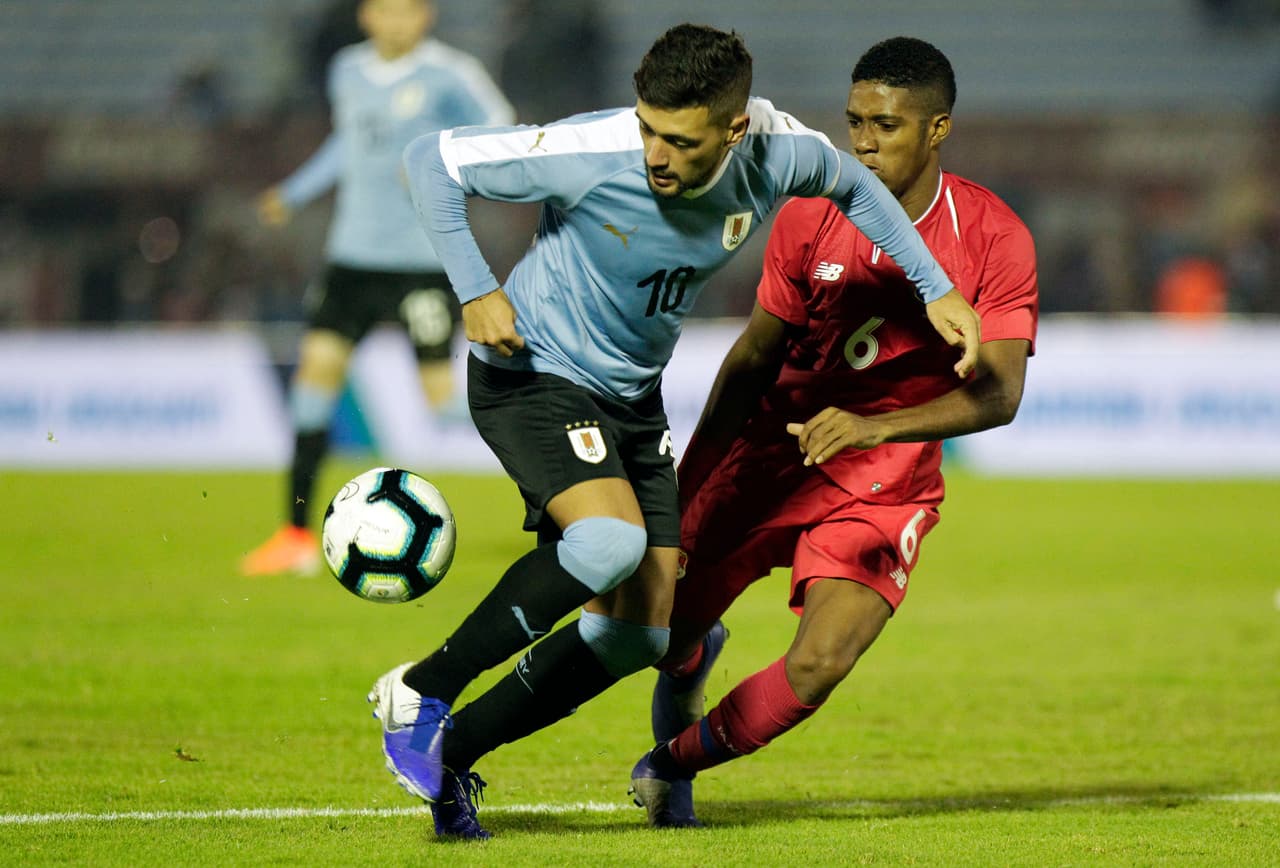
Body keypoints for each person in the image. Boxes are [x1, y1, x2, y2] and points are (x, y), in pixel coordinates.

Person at [369, 23, 983, 840]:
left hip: (631, 399)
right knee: (604, 545)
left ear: (734, 130)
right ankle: (421, 688)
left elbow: (858, 191)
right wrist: (477, 288)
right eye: (648, 127)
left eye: (679, 140)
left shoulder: (780, 151)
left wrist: (935, 286)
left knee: (636, 635)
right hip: (534, 369)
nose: (655, 152)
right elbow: (429, 162)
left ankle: (453, 758)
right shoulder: (595, 149)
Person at [626, 36, 1039, 827]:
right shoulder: (811, 214)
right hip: (769, 458)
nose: (863, 142)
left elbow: (1002, 395)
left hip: (883, 483)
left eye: (885, 125)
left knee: (817, 665)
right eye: (854, 122)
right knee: (659, 633)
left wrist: (874, 426)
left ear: (937, 130)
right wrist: (680, 497)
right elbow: (751, 360)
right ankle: (690, 655)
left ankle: (670, 766)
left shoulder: (993, 236)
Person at [240, 0, 514, 576]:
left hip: (421, 261)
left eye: (407, 11)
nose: (396, 22)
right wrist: (292, 193)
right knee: (313, 383)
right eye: (385, 11)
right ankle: (293, 537)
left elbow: (503, 134)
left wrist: (444, 164)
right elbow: (348, 144)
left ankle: (548, 432)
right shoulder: (347, 70)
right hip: (351, 261)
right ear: (367, 17)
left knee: (443, 405)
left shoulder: (451, 74)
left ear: (426, 17)